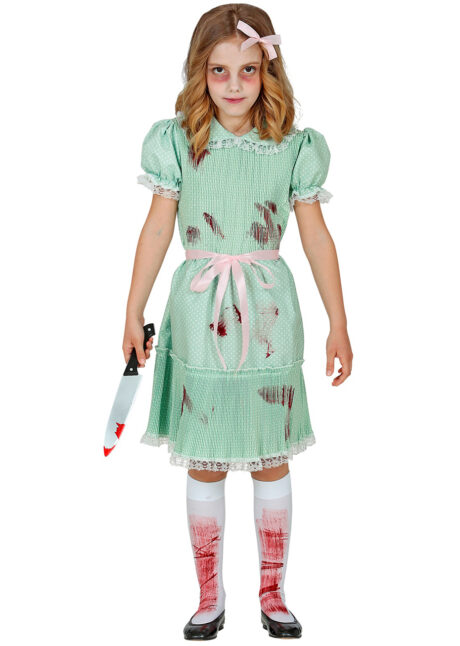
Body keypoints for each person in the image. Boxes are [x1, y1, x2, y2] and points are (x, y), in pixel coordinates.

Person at [123, 4, 353, 640]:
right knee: (205, 460)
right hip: (199, 314)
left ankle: (273, 591)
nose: (233, 84)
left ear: (268, 71)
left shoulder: (294, 147)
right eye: (219, 70)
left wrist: (338, 322)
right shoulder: (177, 142)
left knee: (270, 458)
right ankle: (209, 593)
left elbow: (316, 238)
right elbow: (157, 228)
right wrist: (132, 310)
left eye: (248, 69)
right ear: (199, 72)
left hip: (269, 314)